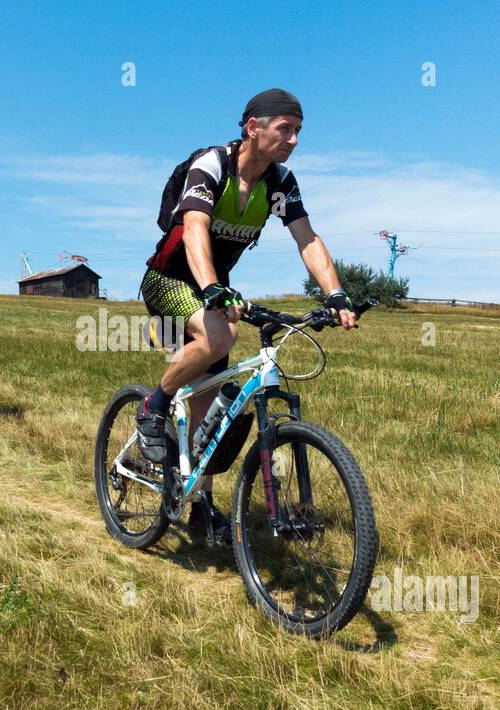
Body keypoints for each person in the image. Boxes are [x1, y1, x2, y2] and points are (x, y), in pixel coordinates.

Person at [135, 89, 358, 542]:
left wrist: (335, 294)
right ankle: (152, 404)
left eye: (298, 131)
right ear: (253, 127)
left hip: (213, 288)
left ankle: (199, 506)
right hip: (169, 279)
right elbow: (195, 226)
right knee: (220, 338)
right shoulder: (212, 166)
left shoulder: (279, 184)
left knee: (208, 410)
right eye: (285, 129)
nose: (293, 140)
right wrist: (212, 287)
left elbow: (307, 238)